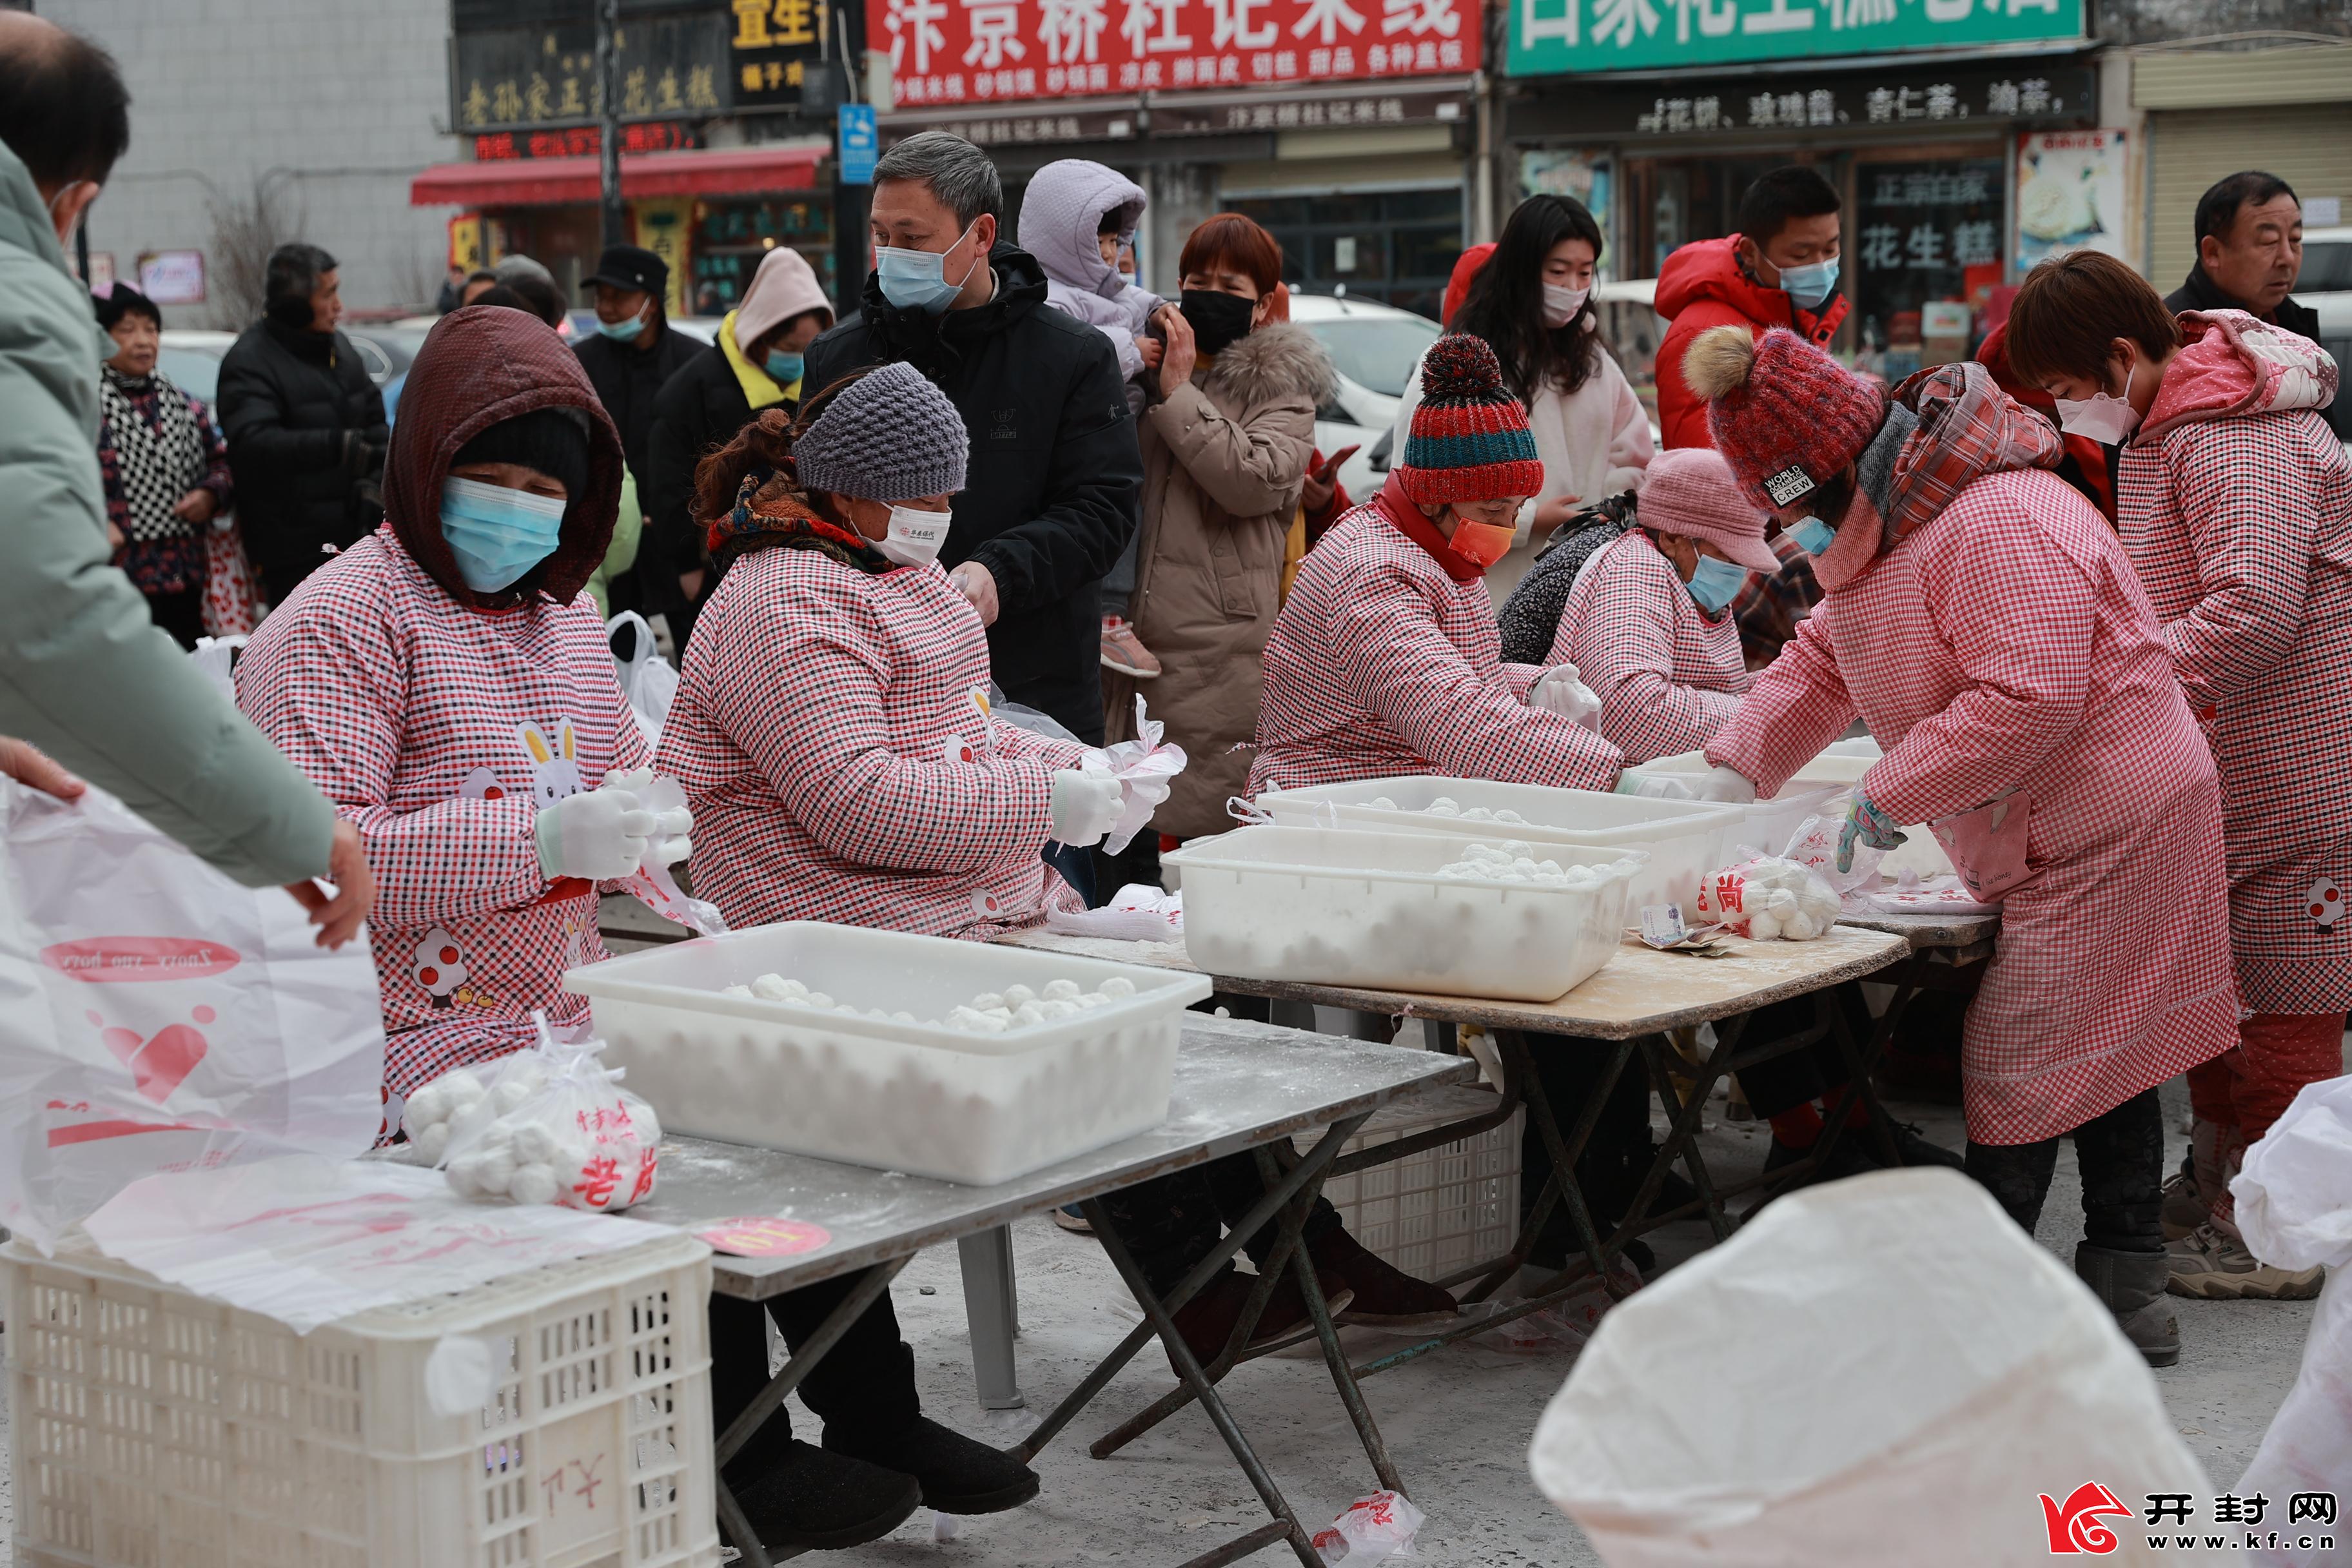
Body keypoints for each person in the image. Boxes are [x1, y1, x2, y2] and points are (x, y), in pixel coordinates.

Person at [1681, 320, 2240, 1366]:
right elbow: (1818, 665)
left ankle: (1975, 1309)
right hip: (2046, 823)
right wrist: (1731, 764)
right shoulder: (1881, 530)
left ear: (1841, 468)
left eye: (1791, 508)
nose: (1790, 534)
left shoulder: (1994, 522)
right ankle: (2125, 1287)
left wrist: (1878, 801)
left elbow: (2027, 696)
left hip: (2114, 819)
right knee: (2105, 1055)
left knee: (2024, 1059)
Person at [654, 363, 1104, 1550]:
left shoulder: (898, 580)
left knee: (869, 1173)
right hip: (794, 937)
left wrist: (1037, 783)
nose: (943, 517)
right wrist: (1043, 799)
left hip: (909, 919)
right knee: (784, 1178)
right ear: (857, 492)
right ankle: (755, 1449)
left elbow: (961, 740)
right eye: (929, 495)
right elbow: (862, 805)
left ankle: (871, 1413)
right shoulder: (777, 600)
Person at [2006, 250, 2350, 1304]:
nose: (2073, 417)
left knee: (2284, 994)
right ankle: (2222, 1184)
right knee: (2222, 981)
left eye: (2070, 393)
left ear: (2118, 356)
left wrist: (2125, 683)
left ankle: (2286, 1232)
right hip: (2230, 748)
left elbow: (2251, 605)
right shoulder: (2184, 417)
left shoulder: (2227, 432)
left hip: (2291, 755)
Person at [237, 304, 686, 1099]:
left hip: (565, 1023)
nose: (514, 508)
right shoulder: (343, 618)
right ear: (424, 462)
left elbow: (621, 771)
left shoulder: (568, 615)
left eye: (541, 490)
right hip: (392, 1042)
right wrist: (539, 841)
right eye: (486, 480)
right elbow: (318, 854)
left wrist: (644, 823)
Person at [0, 11, 369, 939]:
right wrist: (280, 823)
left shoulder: (335, 363)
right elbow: (45, 619)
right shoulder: (23, 303)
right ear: (72, 204)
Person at [800, 132, 1142, 748]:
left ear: (981, 235)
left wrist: (999, 571)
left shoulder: (1070, 357)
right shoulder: (840, 357)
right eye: (881, 237)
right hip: (875, 693)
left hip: (1037, 687)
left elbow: (1103, 510)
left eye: (914, 238)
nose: (892, 254)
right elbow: (806, 505)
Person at [1250, 333, 1623, 797]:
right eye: (1492, 511)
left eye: (1518, 508)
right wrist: (1618, 778)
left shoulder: (1443, 550)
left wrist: (1531, 685)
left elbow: (1450, 669)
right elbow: (1450, 716)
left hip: (1393, 793)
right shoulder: (1373, 572)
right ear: (1433, 499)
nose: (1508, 527)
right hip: (1327, 804)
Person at [1101, 211, 1333, 839]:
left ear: (1261, 307)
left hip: (1215, 649)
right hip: (1116, 637)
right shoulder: (1134, 365)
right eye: (1199, 280)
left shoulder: (1281, 391)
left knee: (1196, 836)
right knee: (1108, 829)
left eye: (1232, 288)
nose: (1212, 296)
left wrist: (1177, 393)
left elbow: (1252, 482)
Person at [1394, 195, 1652, 598]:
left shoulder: (1592, 357)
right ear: (1521, 270)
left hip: (1585, 581)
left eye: (1585, 273)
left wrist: (1602, 509)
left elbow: (1635, 454)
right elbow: (1420, 482)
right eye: (1557, 271)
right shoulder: (1464, 359)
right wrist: (1528, 519)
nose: (1573, 288)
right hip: (1491, 587)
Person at [1011, 158, 1170, 678]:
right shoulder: (1050, 296)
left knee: (1126, 515)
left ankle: (1112, 610)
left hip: (1118, 425)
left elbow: (1131, 297)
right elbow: (1077, 349)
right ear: (1064, 239)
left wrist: (1162, 310)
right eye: (1098, 242)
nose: (1109, 255)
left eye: (1114, 242)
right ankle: (1106, 615)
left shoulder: (1100, 288)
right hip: (1081, 432)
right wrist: (1135, 347)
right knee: (1105, 515)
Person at [1536, 447, 1777, 765]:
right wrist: (1757, 713)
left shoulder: (1692, 582)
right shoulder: (1634, 570)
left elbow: (1721, 689)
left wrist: (1782, 691)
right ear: (1672, 538)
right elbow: (1631, 712)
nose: (1736, 571)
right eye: (1728, 557)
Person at [645, 243, 832, 645]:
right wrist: (685, 567)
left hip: (803, 574)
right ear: (759, 336)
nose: (797, 360)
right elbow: (666, 485)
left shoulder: (821, 387)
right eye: (789, 349)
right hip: (712, 574)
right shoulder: (690, 390)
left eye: (808, 349)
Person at [215, 241, 388, 604]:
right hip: (291, 553)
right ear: (294, 304)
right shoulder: (249, 361)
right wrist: (335, 447)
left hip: (358, 539)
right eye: (329, 294)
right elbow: (253, 444)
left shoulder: (340, 348)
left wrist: (372, 483)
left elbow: (376, 424)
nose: (339, 306)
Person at [1654, 165, 1845, 453]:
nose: (1820, 266)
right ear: (1750, 253)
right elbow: (1705, 469)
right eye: (1801, 254)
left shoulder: (1797, 315)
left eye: (1830, 250)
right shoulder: (1703, 333)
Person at [92, 281, 232, 649]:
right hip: (116, 575)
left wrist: (209, 495)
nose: (143, 340)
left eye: (151, 329)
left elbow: (221, 463)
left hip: (184, 572)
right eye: (126, 330)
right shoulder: (84, 407)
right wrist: (96, 518)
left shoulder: (184, 404)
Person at [573, 243, 701, 626]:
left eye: (619, 296)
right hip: (608, 538)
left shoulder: (693, 361)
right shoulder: (581, 361)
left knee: (690, 645)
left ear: (652, 302)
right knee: (613, 648)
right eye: (601, 297)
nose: (606, 307)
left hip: (679, 538)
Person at [2164, 171, 2317, 340]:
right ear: (2213, 252)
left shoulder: (2293, 323)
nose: (2287, 259)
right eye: (2269, 242)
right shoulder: (2173, 334)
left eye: (2295, 239)